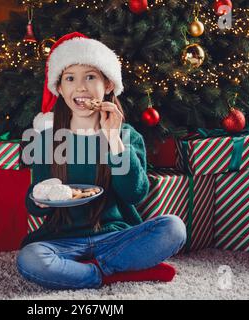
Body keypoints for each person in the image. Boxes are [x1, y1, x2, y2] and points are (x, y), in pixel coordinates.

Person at [17, 32, 186, 290]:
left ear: (107, 85)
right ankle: (108, 273)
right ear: (60, 89)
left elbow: (134, 194)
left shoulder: (127, 136)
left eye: (91, 77)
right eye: (70, 78)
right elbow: (37, 205)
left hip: (115, 236)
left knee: (174, 228)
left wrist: (114, 141)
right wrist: (37, 198)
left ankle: (96, 267)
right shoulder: (46, 139)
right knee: (30, 259)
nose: (81, 87)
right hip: (62, 240)